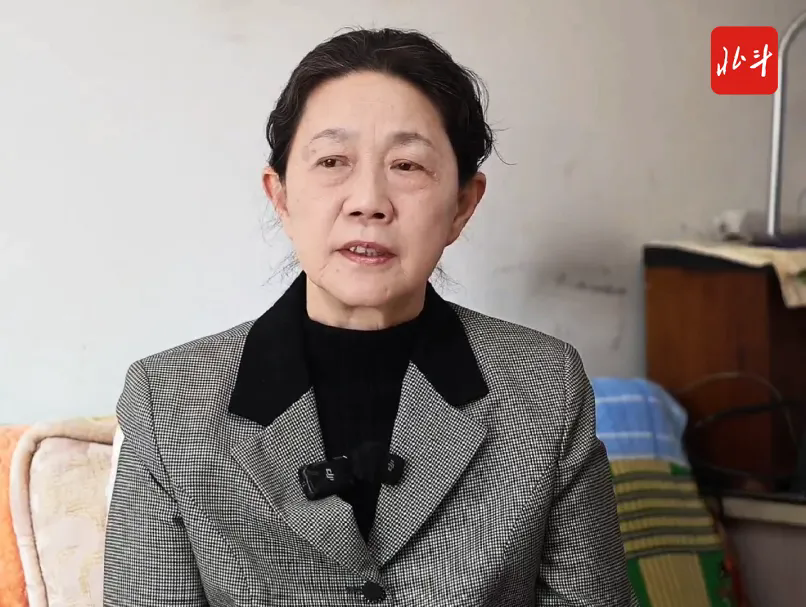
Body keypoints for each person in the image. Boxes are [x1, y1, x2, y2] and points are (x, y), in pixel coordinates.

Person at [103, 27, 637, 607]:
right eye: (332, 161)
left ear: (462, 205)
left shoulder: (546, 385)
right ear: (281, 196)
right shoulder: (168, 401)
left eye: (407, 165)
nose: (368, 202)